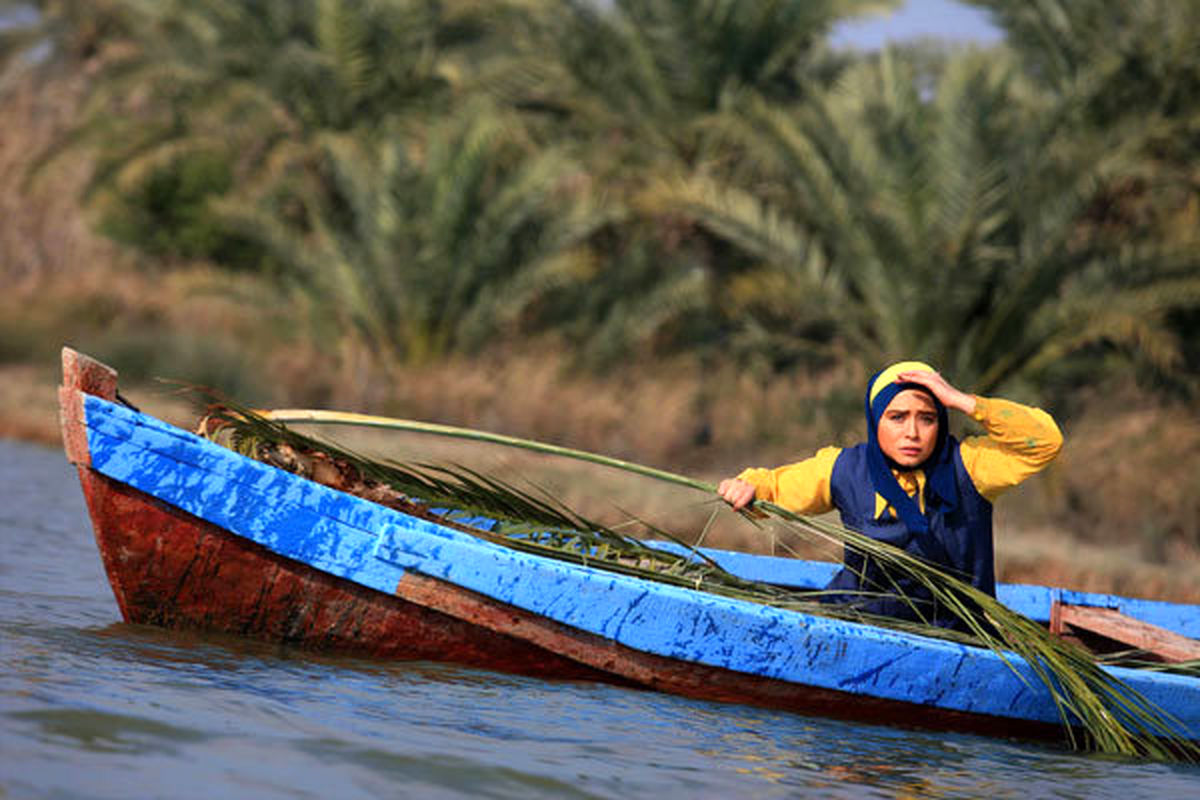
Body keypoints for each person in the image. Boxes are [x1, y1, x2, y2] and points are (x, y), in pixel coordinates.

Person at [717, 361, 1063, 627]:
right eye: (897, 417)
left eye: (927, 418)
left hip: (955, 634)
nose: (912, 432)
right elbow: (773, 488)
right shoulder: (843, 468)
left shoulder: (971, 468)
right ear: (874, 420)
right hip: (854, 623)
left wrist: (961, 400)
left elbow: (1046, 442)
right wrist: (746, 487)